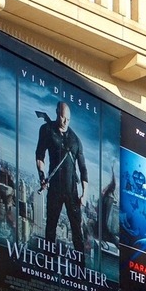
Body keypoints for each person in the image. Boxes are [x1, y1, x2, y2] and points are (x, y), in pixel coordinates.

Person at [35, 100, 89, 254]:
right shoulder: (46, 130)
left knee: (77, 231)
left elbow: (83, 168)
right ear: (57, 113)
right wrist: (41, 175)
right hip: (55, 189)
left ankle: (81, 268)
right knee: (50, 227)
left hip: (72, 191)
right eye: (62, 117)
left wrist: (84, 193)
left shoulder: (75, 140)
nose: (65, 122)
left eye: (68, 119)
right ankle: (48, 261)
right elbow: (40, 155)